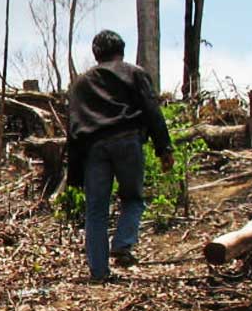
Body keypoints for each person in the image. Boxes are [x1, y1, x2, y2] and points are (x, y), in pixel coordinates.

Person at [66, 30, 173, 281]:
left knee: (96, 211)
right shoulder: (133, 73)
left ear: (96, 54)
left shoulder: (80, 84)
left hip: (94, 149)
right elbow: (151, 110)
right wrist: (164, 147)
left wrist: (74, 174)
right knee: (133, 199)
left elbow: (72, 130)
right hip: (127, 141)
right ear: (121, 50)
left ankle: (99, 273)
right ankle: (123, 243)